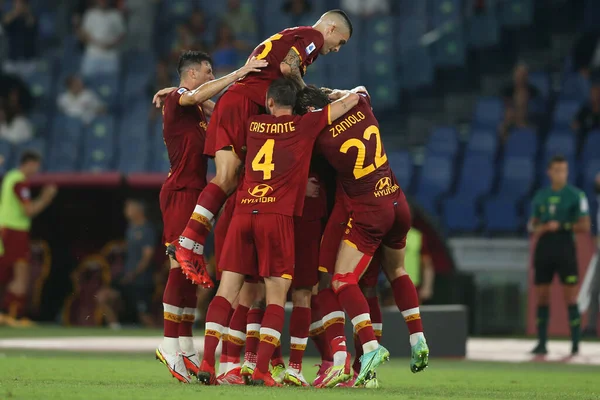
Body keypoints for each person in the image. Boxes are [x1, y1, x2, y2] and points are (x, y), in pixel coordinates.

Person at [166, 10, 354, 286]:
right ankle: (189, 242)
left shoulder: (292, 34)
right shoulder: (312, 36)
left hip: (237, 104)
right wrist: (307, 91)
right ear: (331, 29)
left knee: (232, 181)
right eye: (341, 42)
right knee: (227, 178)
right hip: (241, 105)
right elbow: (288, 68)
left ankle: (193, 244)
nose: (337, 49)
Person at [196, 78, 359, 387]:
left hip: (244, 213)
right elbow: (343, 106)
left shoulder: (253, 123)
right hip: (277, 217)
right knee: (276, 297)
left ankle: (208, 362)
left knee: (226, 292)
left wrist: (193, 100)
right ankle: (260, 371)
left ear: (269, 102)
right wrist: (356, 92)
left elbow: (222, 117)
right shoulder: (304, 125)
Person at [294, 86, 429, 387]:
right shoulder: (363, 107)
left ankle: (369, 348)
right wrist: (334, 94)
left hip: (368, 210)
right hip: (397, 200)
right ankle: (417, 339)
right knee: (396, 271)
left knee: (341, 279)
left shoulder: (320, 136)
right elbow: (362, 90)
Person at [153, 50, 267, 384]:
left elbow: (224, 113)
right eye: (208, 70)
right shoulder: (178, 98)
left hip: (195, 192)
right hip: (179, 192)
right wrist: (241, 72)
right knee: (179, 267)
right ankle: (169, 344)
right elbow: (198, 95)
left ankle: (186, 346)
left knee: (190, 273)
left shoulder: (198, 110)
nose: (211, 74)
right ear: (191, 74)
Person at [528, 155, 591, 355]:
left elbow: (585, 225)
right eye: (556, 170)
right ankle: (542, 343)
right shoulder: (541, 196)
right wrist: (542, 227)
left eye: (563, 170)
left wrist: (562, 225)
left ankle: (575, 343)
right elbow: (532, 225)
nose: (560, 174)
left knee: (570, 297)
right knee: (542, 296)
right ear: (549, 172)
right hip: (544, 248)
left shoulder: (576, 196)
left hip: (565, 247)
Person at [0, 151, 57, 326]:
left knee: (16, 274)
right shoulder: (18, 180)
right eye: (36, 166)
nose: (36, 171)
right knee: (19, 275)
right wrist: (47, 198)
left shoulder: (12, 178)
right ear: (29, 163)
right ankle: (10, 315)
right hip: (11, 231)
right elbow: (29, 210)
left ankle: (10, 315)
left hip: (13, 231)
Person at [96, 199, 156, 330]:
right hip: (126, 279)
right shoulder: (130, 228)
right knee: (103, 297)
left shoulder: (148, 230)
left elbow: (147, 257)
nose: (126, 212)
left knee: (144, 316)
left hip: (141, 282)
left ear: (138, 210)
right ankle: (115, 328)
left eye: (128, 208)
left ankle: (160, 339)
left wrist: (134, 274)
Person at [78, 0, 126, 77]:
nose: (103, 2)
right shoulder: (90, 14)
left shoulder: (116, 15)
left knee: (110, 82)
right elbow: (84, 34)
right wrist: (98, 44)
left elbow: (121, 34)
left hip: (111, 56)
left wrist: (111, 44)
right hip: (92, 55)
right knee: (87, 80)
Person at [583, 172, 600, 337]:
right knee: (595, 289)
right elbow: (593, 226)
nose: (598, 179)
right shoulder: (594, 202)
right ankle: (591, 327)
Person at [2, 0, 38, 75]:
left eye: (21, 4)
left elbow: (32, 25)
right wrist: (15, 13)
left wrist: (26, 13)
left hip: (28, 58)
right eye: (16, 4)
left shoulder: (31, 16)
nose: (18, 6)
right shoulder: (10, 17)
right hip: (12, 58)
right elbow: (5, 25)